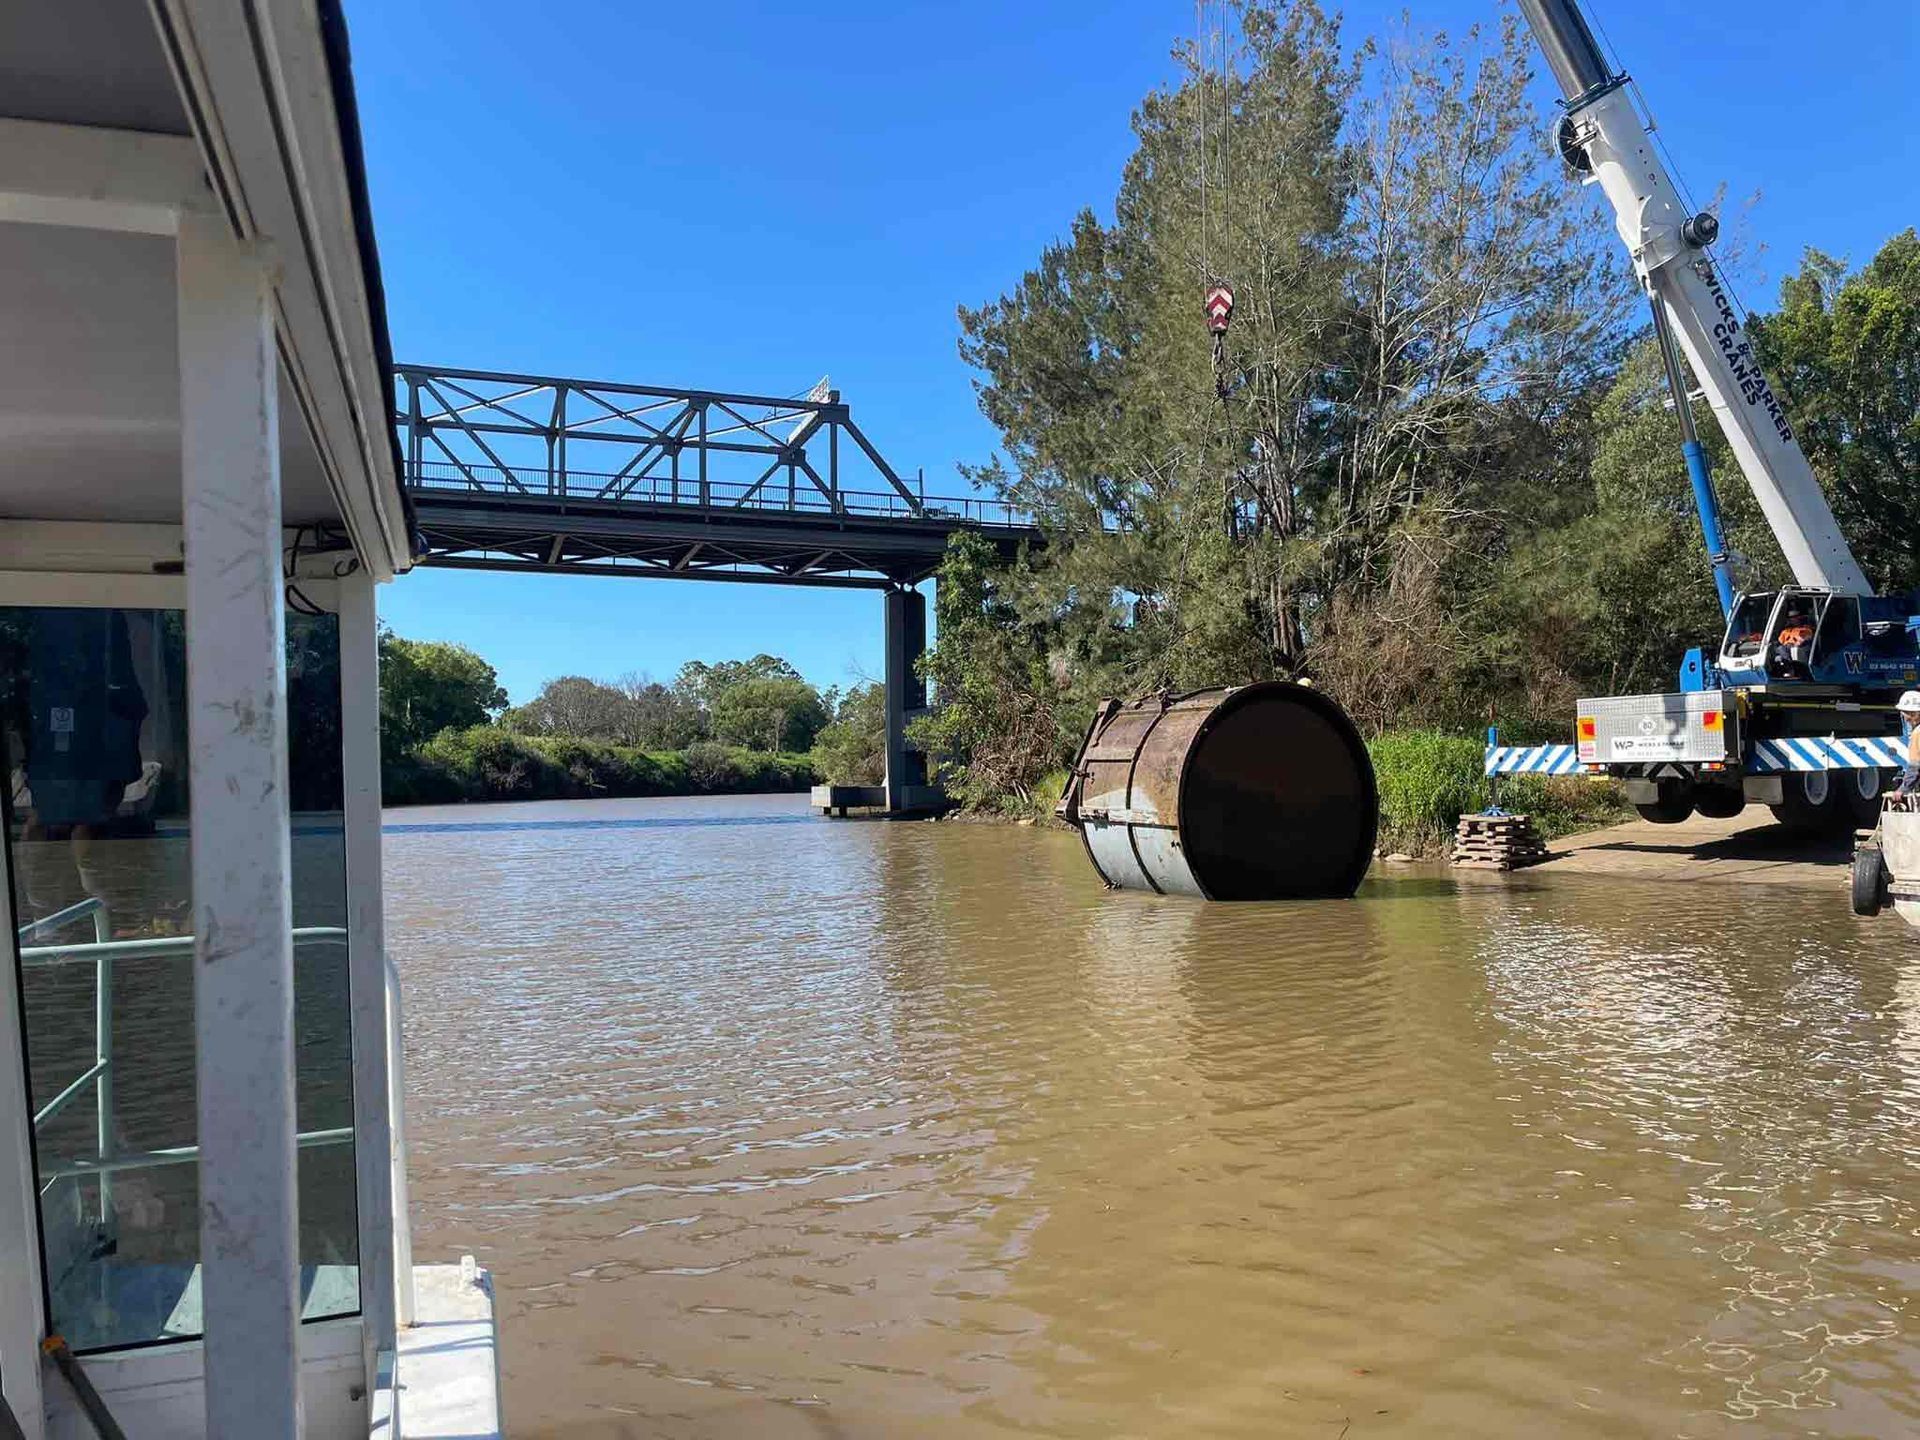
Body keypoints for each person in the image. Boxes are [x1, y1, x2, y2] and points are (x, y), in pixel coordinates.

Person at [1898, 691, 1920, 799]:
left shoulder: (1918, 733)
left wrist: (1903, 789)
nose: (1905, 719)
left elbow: (1915, 767)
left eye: (1905, 715)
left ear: (1914, 713)